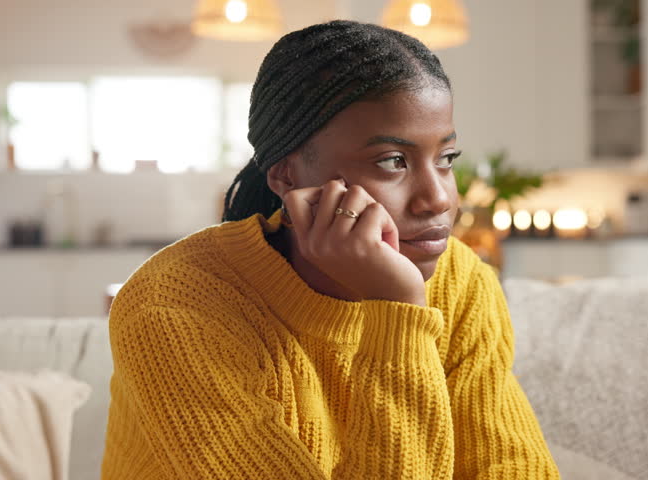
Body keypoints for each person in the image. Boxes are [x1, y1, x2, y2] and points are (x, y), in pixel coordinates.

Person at [101, 19, 560, 479]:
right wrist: (397, 310)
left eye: (446, 159)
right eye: (392, 161)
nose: (438, 199)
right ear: (287, 176)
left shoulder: (461, 280)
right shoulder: (172, 307)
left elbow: (515, 469)